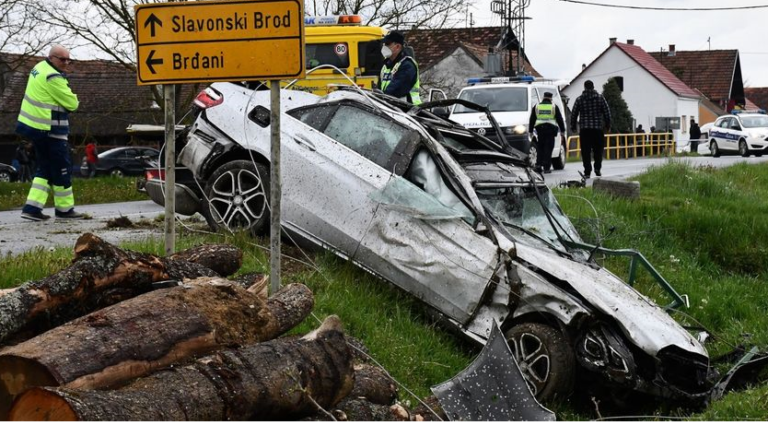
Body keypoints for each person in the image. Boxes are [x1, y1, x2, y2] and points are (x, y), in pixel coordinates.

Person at [16, 44, 84, 221]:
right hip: (51, 130)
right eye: (63, 59)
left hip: (37, 128)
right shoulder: (53, 76)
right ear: (52, 57)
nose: (66, 63)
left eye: (69, 59)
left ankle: (31, 208)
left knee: (45, 167)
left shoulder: (39, 68)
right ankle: (64, 210)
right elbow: (72, 103)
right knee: (62, 168)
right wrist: (72, 96)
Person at [570, 80, 611, 178]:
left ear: (584, 87)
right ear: (593, 87)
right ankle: (597, 168)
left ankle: (587, 171)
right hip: (597, 129)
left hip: (584, 130)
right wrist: (608, 125)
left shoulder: (579, 99)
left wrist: (573, 127)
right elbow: (607, 112)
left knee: (585, 151)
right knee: (598, 150)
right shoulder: (600, 98)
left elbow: (574, 114)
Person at [378, 30, 421, 105]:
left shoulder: (407, 65)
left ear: (397, 47)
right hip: (393, 110)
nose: (384, 47)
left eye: (387, 44)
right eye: (384, 44)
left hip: (409, 111)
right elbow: (380, 89)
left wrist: (380, 97)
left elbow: (394, 91)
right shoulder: (386, 66)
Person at [528, 91, 566, 174]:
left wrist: (530, 131)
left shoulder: (537, 106)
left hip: (540, 130)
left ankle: (538, 166)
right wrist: (562, 131)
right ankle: (546, 167)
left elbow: (532, 119)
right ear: (551, 98)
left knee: (540, 148)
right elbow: (559, 119)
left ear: (543, 97)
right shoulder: (554, 107)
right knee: (548, 148)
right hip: (550, 130)